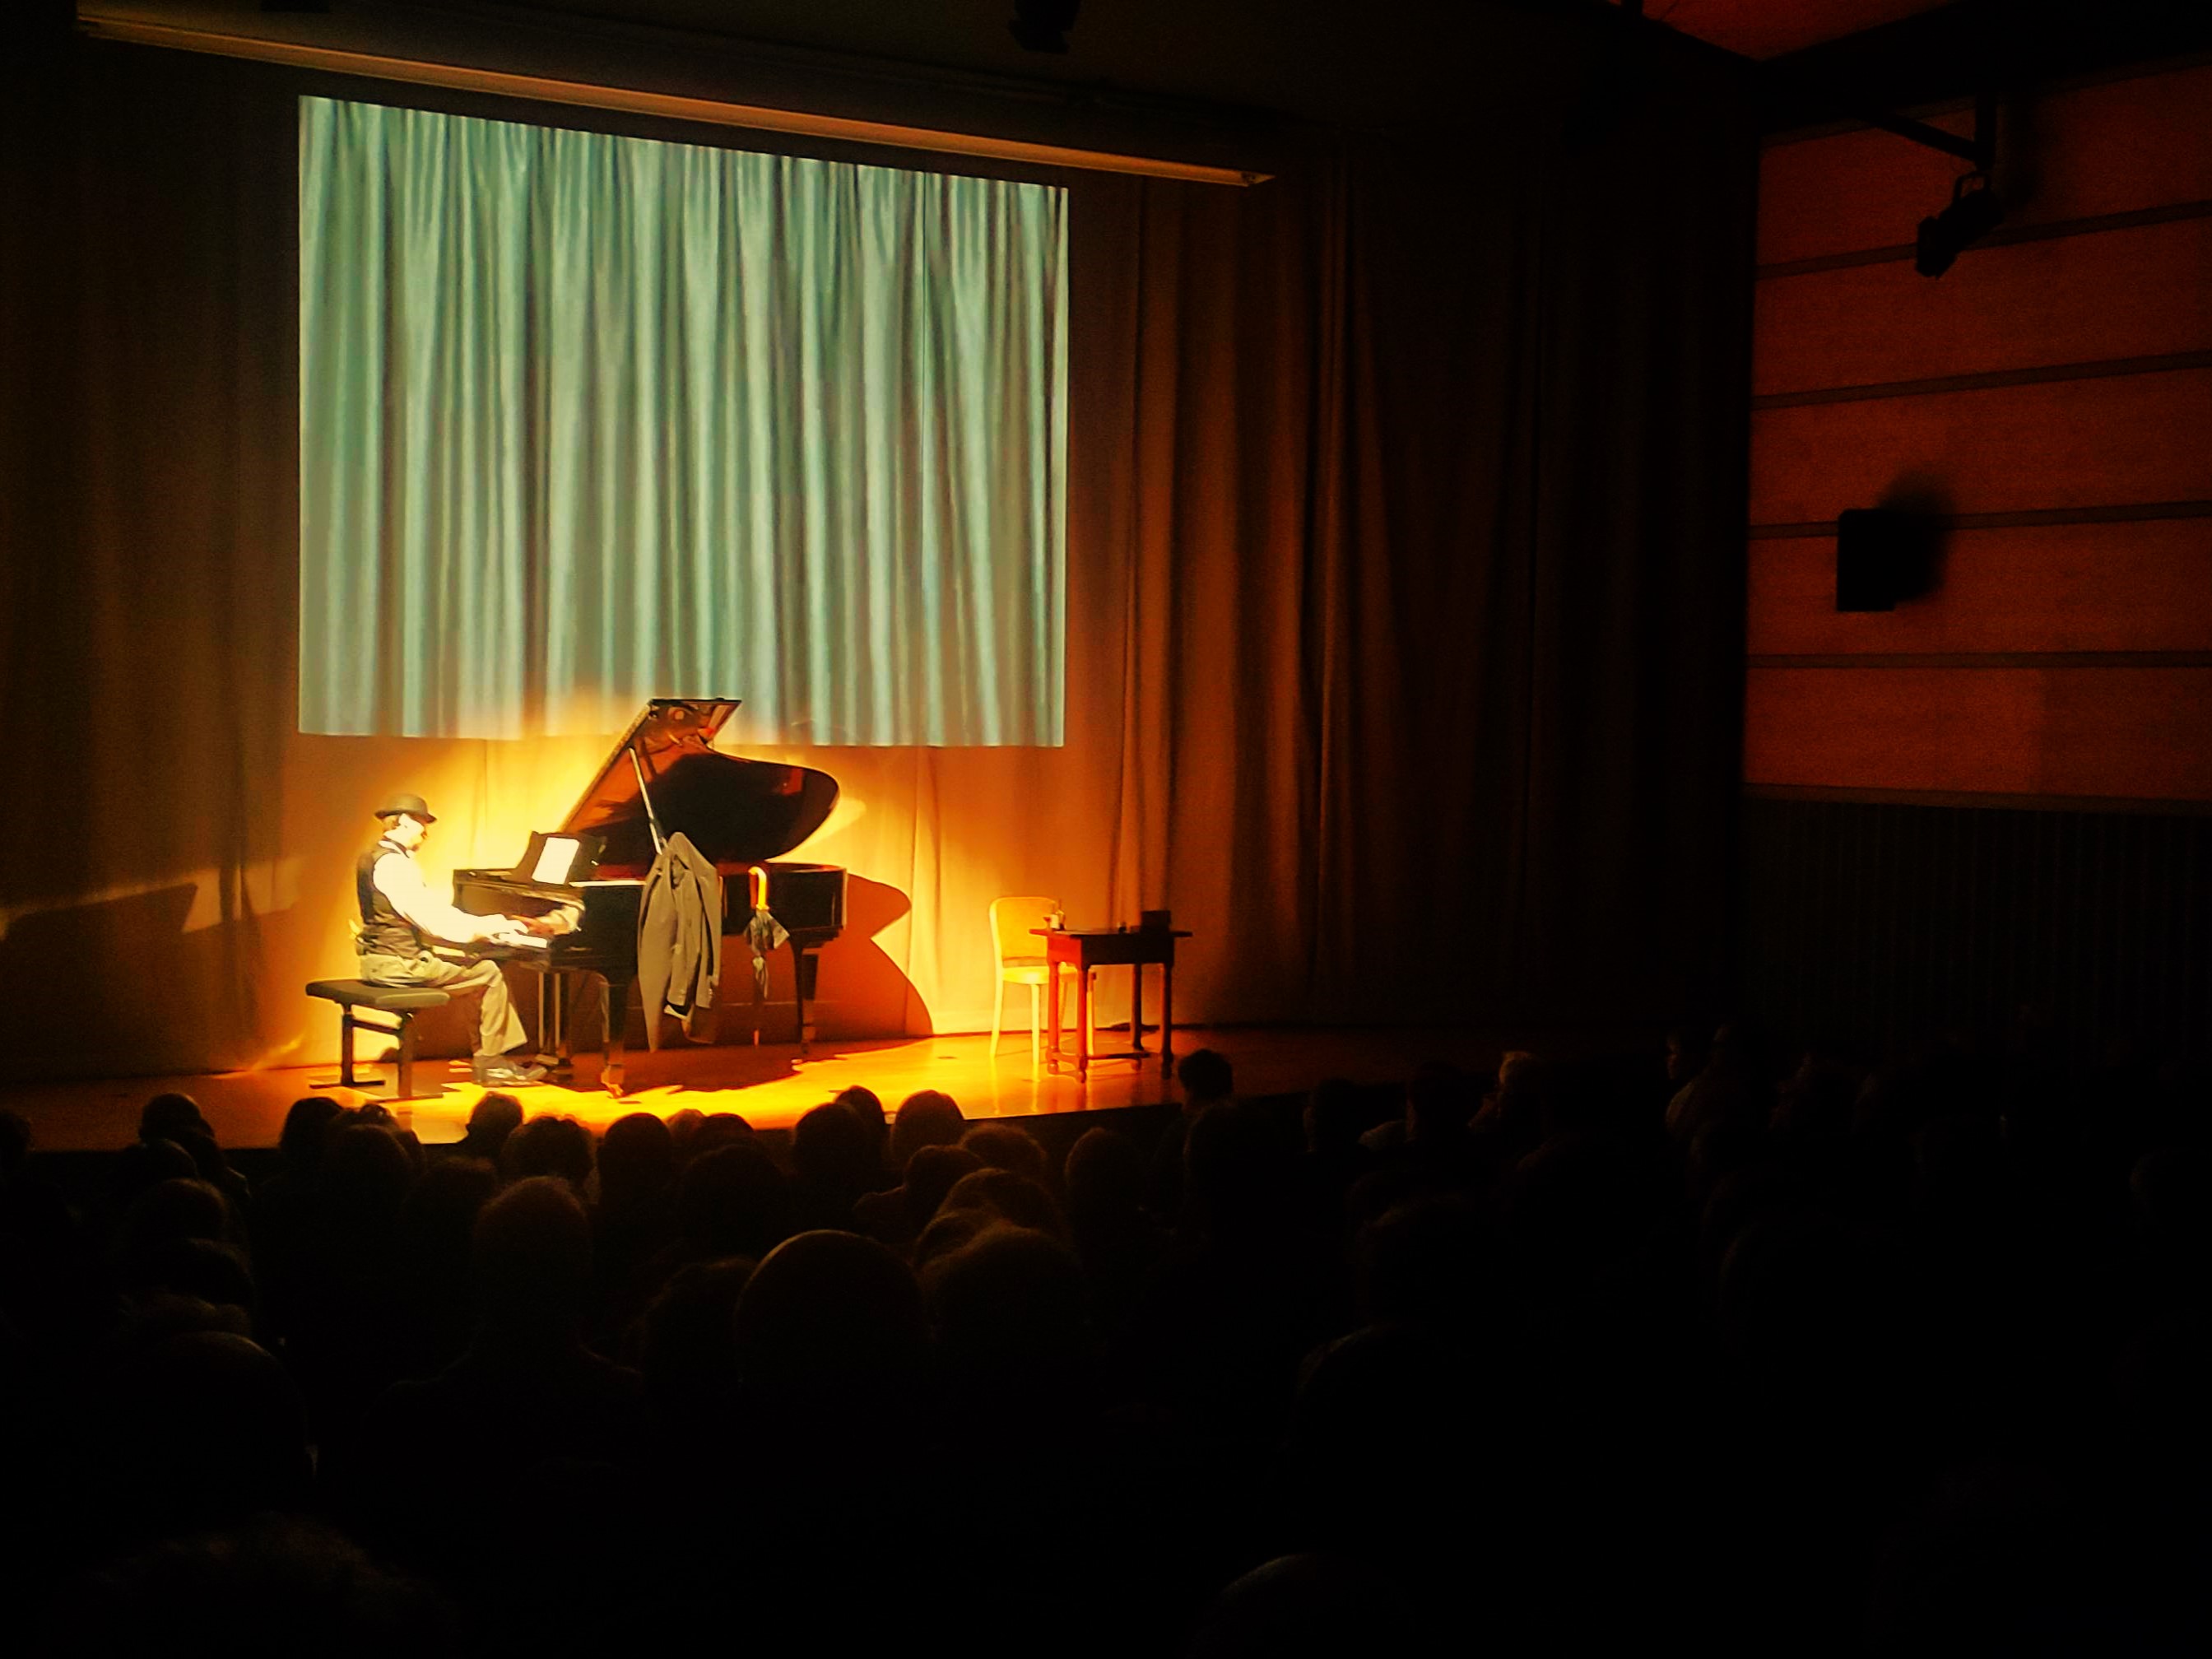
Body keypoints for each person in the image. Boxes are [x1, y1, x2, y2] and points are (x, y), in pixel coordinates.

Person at [355, 792, 550, 1086]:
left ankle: (488, 1059)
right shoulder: (394, 865)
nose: (426, 832)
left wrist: (481, 930)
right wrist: (491, 926)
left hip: (380, 959)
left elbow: (426, 919)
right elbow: (434, 921)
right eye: (423, 824)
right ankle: (491, 1065)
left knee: (477, 965)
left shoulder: (373, 856)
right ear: (405, 821)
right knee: (488, 973)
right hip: (399, 965)